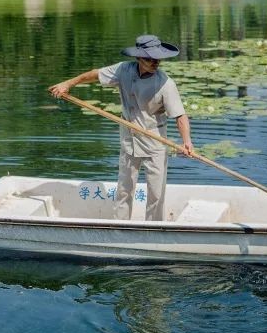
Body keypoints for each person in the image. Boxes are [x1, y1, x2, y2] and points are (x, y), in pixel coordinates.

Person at [49, 34, 195, 222]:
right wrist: (68, 83)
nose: (155, 62)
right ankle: (119, 226)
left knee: (156, 194)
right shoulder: (123, 70)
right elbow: (94, 74)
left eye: (157, 59)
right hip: (129, 138)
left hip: (155, 141)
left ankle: (155, 230)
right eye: (149, 59)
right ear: (138, 58)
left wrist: (187, 142)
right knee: (124, 189)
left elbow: (180, 116)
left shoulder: (165, 83)